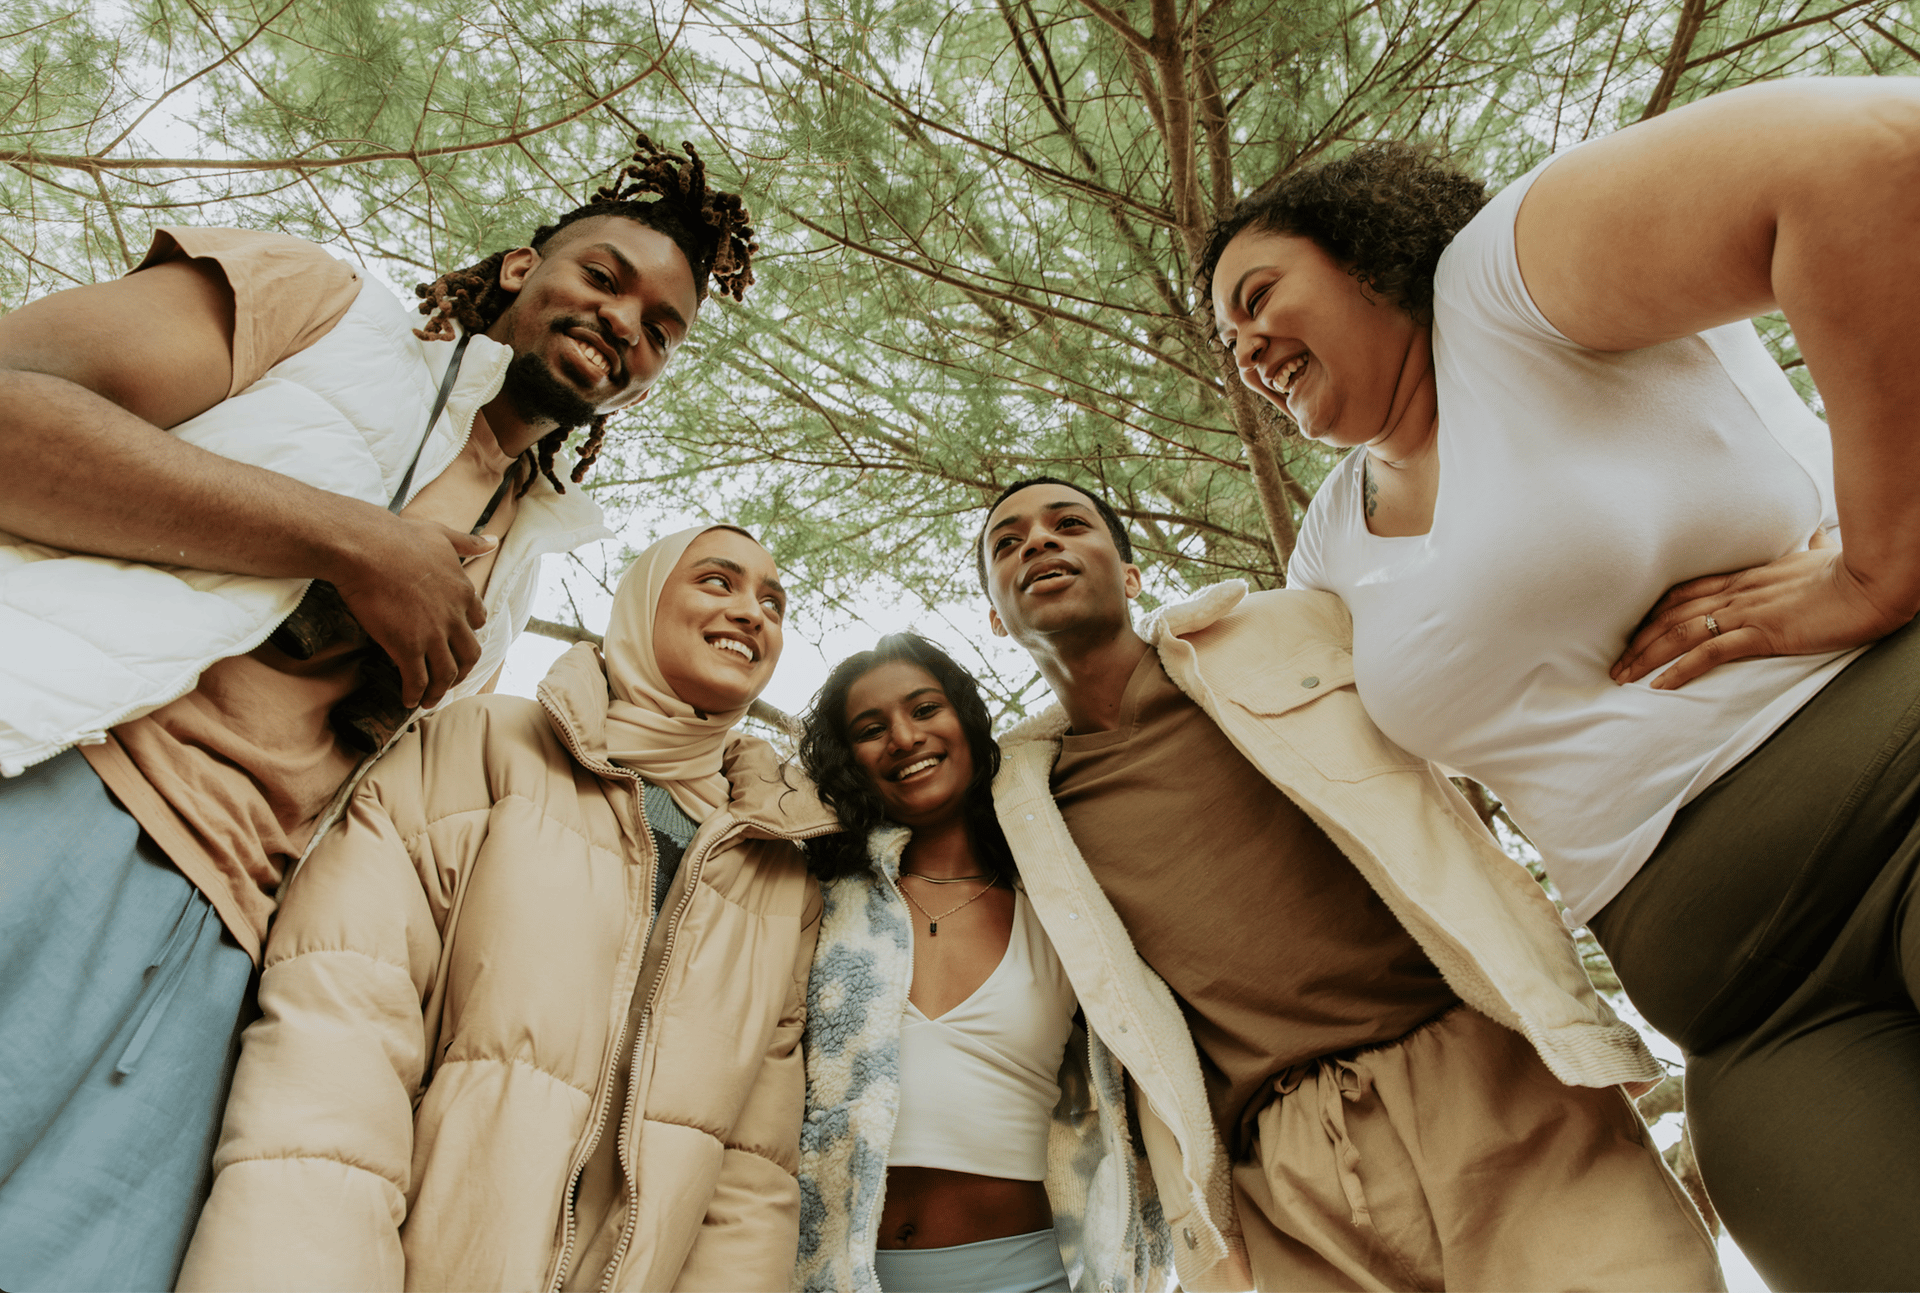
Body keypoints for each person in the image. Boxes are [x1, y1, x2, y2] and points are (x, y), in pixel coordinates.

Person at [0, 136, 756, 1289]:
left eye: (661, 328)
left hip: (227, 962)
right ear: (517, 269)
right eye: (606, 277)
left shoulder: (518, 573)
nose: (626, 325)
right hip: (52, 785)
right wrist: (343, 538)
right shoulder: (316, 304)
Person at [1203, 76, 1920, 1289]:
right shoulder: (1326, 544)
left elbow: (1867, 156)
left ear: (1369, 250)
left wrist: (1884, 564)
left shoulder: (1504, 289)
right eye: (1225, 344)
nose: (1247, 351)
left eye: (1258, 297)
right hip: (1748, 1015)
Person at [979, 475, 1723, 1292]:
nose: (1039, 543)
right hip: (1290, 1179)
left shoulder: (1290, 624)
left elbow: (1505, 640)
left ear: (1130, 574)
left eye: (1067, 524)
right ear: (994, 616)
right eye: (1007, 543)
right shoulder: (1017, 807)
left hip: (1492, 1080)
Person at [173, 524, 829, 1290]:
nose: (754, 611)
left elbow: (751, 1180)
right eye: (718, 582)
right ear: (642, 601)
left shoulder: (781, 869)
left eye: (774, 602)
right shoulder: (475, 746)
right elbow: (335, 1048)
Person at [792, 632, 1169, 1293]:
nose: (905, 737)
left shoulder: (1062, 904)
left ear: (966, 721)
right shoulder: (819, 903)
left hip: (1032, 1272)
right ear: (850, 759)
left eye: (925, 708)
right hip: (842, 1275)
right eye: (871, 727)